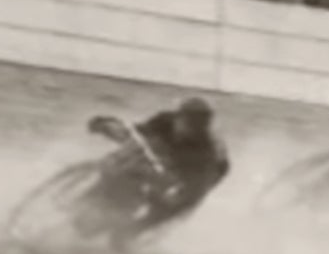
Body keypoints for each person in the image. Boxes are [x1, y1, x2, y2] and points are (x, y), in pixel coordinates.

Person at [86, 95, 229, 244]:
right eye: (184, 121)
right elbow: (136, 134)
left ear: (202, 128)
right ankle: (98, 193)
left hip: (195, 178)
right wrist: (106, 126)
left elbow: (192, 190)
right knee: (135, 160)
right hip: (172, 160)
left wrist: (171, 196)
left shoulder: (205, 153)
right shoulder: (166, 119)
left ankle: (129, 240)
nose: (185, 128)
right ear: (179, 116)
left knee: (157, 214)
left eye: (194, 126)